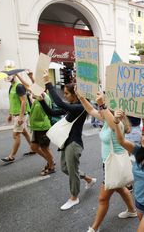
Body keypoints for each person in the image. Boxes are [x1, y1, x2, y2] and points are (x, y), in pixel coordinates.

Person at [99, 95, 144, 232]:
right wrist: (116, 121)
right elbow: (121, 141)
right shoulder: (138, 151)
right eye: (143, 134)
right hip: (139, 202)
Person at [75, 91, 137, 232]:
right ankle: (132, 210)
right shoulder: (106, 121)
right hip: (109, 163)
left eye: (105, 106)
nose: (101, 110)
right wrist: (82, 98)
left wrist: (102, 104)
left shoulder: (117, 124)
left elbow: (112, 122)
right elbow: (91, 110)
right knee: (120, 187)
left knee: (103, 198)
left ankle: (94, 228)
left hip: (114, 165)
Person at [42, 71, 96, 211]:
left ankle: (74, 197)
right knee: (66, 169)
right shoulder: (73, 106)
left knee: (72, 171)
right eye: (64, 93)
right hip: (66, 142)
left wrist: (48, 83)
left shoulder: (80, 108)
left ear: (75, 94)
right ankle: (89, 179)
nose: (64, 96)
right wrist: (42, 100)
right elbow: (52, 113)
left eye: (66, 93)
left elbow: (59, 103)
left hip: (74, 144)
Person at [1, 74, 32, 163]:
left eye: (9, 75)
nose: (7, 77)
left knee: (16, 135)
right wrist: (10, 114)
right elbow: (13, 102)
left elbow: (24, 101)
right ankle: (33, 148)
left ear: (14, 76)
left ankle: (11, 156)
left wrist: (21, 117)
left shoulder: (19, 86)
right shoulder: (12, 87)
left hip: (20, 115)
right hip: (15, 114)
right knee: (24, 132)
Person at [30, 92, 56, 175]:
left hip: (43, 127)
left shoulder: (44, 98)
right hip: (36, 127)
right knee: (34, 147)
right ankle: (50, 160)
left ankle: (51, 166)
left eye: (32, 91)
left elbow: (47, 111)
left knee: (45, 148)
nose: (30, 93)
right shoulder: (37, 98)